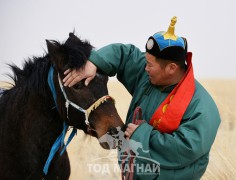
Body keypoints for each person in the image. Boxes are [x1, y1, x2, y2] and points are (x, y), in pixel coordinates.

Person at [63, 17, 221, 179]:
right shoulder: (149, 75)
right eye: (145, 61)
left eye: (150, 65)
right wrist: (93, 63)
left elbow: (187, 148)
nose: (145, 68)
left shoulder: (201, 107)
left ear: (171, 68)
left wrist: (141, 135)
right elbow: (125, 55)